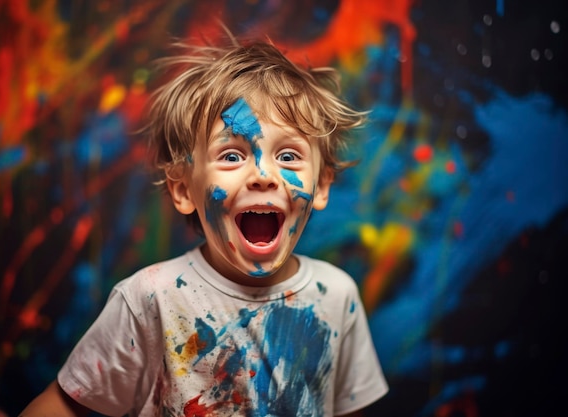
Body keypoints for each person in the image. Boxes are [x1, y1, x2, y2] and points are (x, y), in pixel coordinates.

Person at [20, 34, 388, 417]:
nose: (264, 175)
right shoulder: (149, 299)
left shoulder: (337, 296)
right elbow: (63, 405)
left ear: (322, 185)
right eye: (231, 155)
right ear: (183, 190)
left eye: (289, 155)